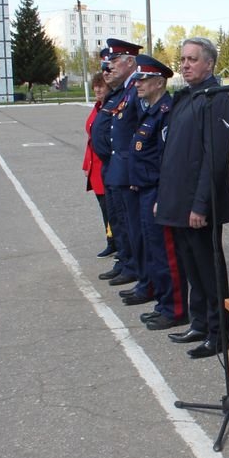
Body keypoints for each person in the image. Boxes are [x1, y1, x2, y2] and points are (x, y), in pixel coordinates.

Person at [155, 37, 229, 359]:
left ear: (209, 64)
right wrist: (164, 198)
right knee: (192, 268)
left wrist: (200, 205)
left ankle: (218, 333)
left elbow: (213, 159)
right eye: (183, 59)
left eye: (192, 59)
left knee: (209, 269)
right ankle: (200, 323)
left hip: (200, 206)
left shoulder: (216, 100)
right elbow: (172, 155)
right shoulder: (187, 97)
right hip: (178, 202)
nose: (185, 65)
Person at [120, 54, 189, 331]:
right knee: (153, 251)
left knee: (166, 255)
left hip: (157, 193)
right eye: (136, 79)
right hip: (144, 190)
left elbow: (166, 161)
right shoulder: (149, 111)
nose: (137, 84)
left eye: (143, 79)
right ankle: (163, 303)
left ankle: (175, 309)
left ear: (159, 82)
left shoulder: (165, 113)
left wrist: (162, 196)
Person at [93, 39, 143, 287]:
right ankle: (125, 261)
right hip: (112, 168)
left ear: (130, 61)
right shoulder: (119, 93)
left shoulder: (136, 90)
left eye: (113, 61)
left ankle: (134, 266)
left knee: (129, 222)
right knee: (118, 221)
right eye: (107, 62)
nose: (108, 67)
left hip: (127, 170)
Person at [82, 71, 115, 258]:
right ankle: (111, 240)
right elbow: (90, 139)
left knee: (111, 208)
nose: (97, 90)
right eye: (95, 86)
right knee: (104, 208)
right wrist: (86, 165)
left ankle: (114, 241)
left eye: (101, 86)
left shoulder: (108, 109)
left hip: (105, 164)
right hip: (95, 166)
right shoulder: (97, 108)